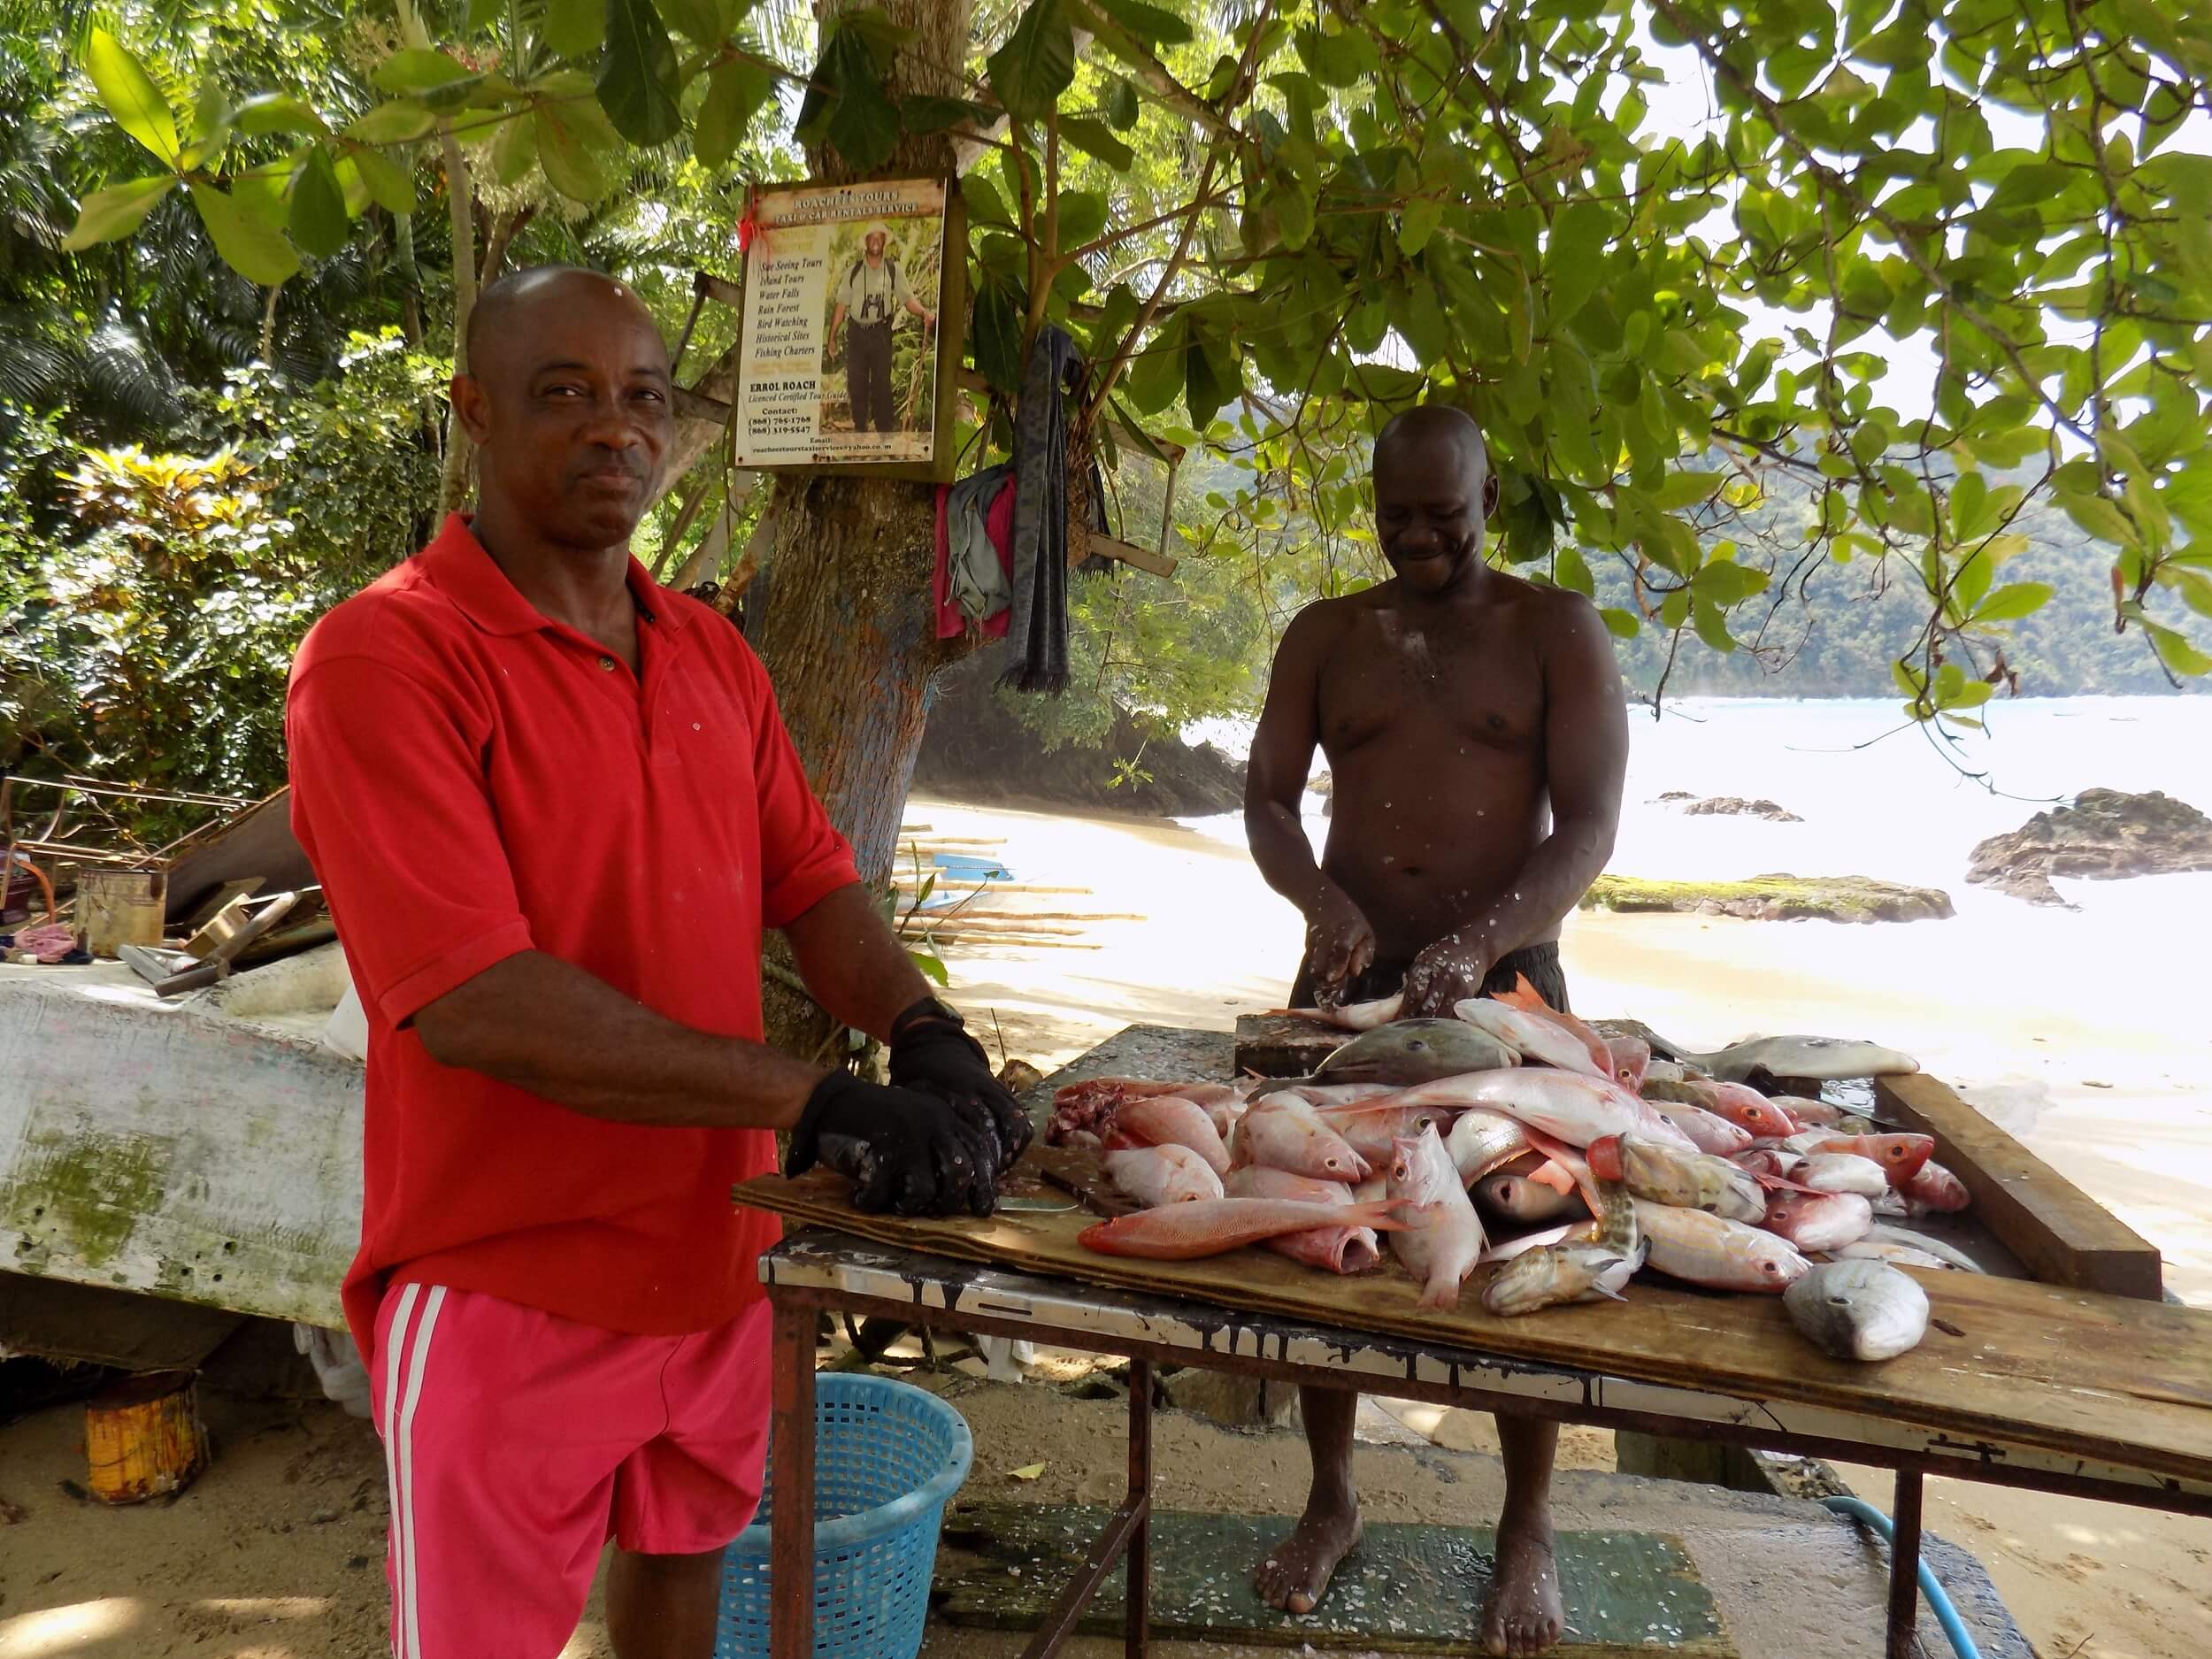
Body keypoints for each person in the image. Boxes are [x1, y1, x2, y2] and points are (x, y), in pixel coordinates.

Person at [286, 265, 1027, 1659]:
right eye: (564, 394)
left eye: (640, 399)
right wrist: (811, 1097)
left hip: (718, 1260)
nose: (614, 430)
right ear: (475, 414)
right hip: (508, 1280)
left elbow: (810, 881)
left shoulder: (709, 653)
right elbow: (475, 999)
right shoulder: (388, 656)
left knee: (684, 1582)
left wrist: (924, 1024)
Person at [1242, 404, 1629, 1657]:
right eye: (1395, 514)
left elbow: (1588, 824)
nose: (1418, 538)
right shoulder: (1326, 635)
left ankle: (1528, 1523)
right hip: (1348, 970)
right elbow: (1267, 798)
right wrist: (1322, 902)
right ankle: (1333, 1493)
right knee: (1333, 1229)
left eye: (1443, 515)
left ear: (1490, 491)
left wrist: (1486, 938)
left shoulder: (1554, 630)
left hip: (1509, 980)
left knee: (1528, 1238)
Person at [826, 221, 936, 434]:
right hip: (857, 333)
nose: (876, 241)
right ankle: (860, 428)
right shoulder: (853, 272)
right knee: (856, 383)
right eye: (871, 237)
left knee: (881, 384)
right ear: (866, 242)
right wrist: (831, 338)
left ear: (884, 242)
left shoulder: (893, 270)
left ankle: (885, 433)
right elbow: (841, 307)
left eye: (880, 237)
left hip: (880, 334)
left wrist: (924, 312)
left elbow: (907, 299)